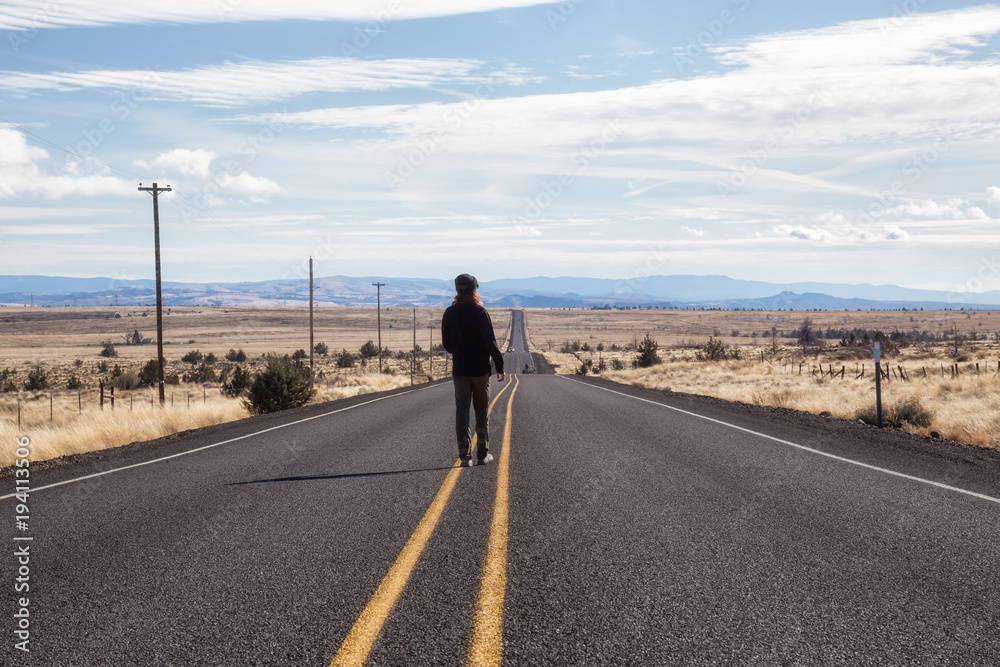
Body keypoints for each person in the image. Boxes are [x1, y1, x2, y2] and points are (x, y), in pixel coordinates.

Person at [441, 274, 506, 467]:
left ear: (457, 290)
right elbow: (490, 342)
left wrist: (460, 353)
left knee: (462, 411)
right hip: (480, 371)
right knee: (481, 411)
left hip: (460, 370)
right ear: (474, 289)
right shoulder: (480, 312)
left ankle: (464, 457)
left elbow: (446, 344)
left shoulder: (449, 313)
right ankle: (482, 454)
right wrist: (499, 365)